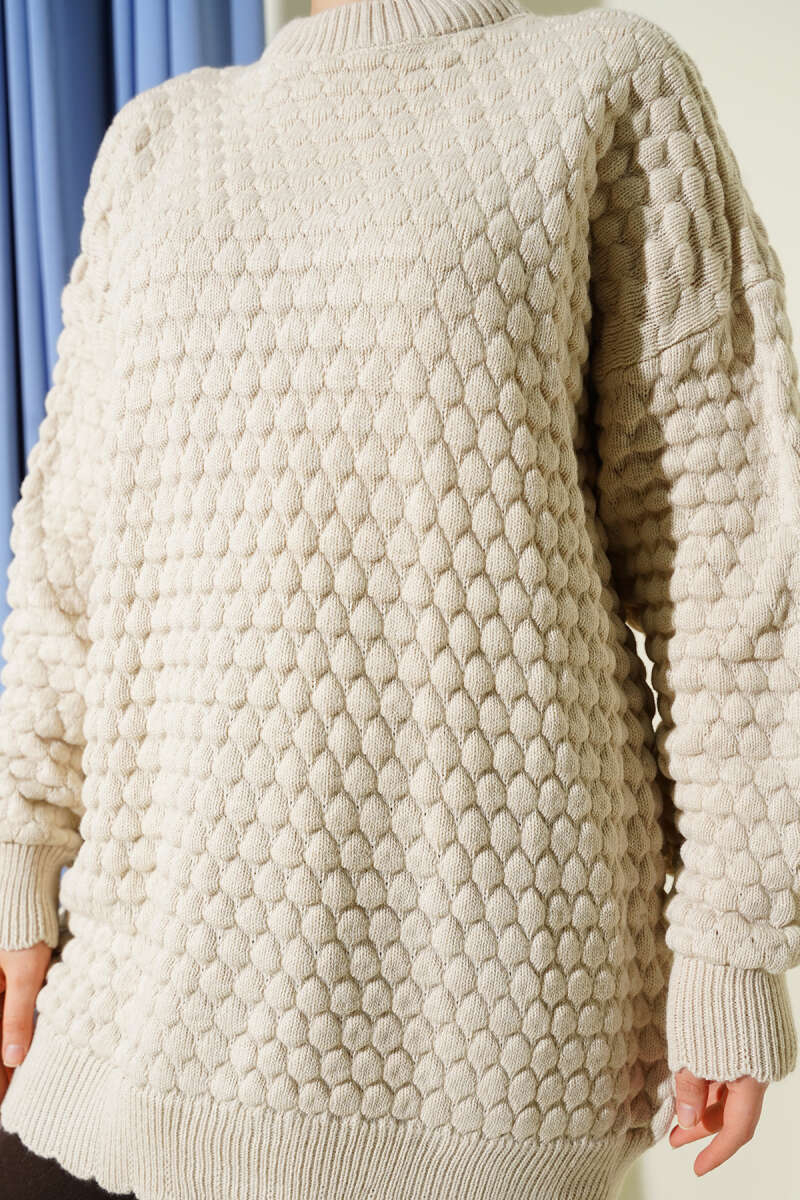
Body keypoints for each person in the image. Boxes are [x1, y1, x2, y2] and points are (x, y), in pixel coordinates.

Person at [1, 0, 799, 1196]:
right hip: (146, 997)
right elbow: (68, 558)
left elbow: (732, 556)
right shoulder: (157, 141)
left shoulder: (608, 84)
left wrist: (733, 939)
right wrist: (18, 852)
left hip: (481, 1029)